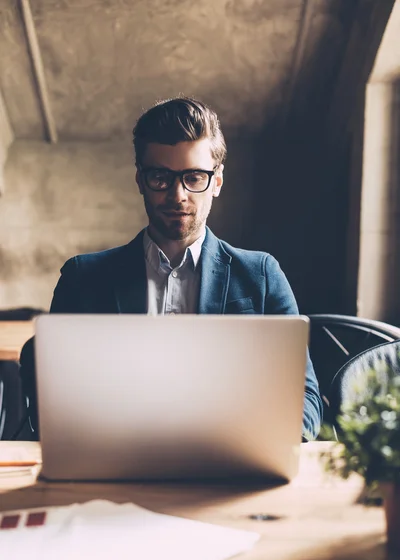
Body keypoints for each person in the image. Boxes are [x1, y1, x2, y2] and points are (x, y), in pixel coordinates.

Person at [20, 97, 323, 440]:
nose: (178, 195)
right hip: (113, 465)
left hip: (229, 472)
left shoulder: (262, 276)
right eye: (161, 177)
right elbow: (51, 398)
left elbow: (306, 400)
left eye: (194, 177)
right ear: (140, 180)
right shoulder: (82, 278)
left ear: (217, 181)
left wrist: (265, 443)